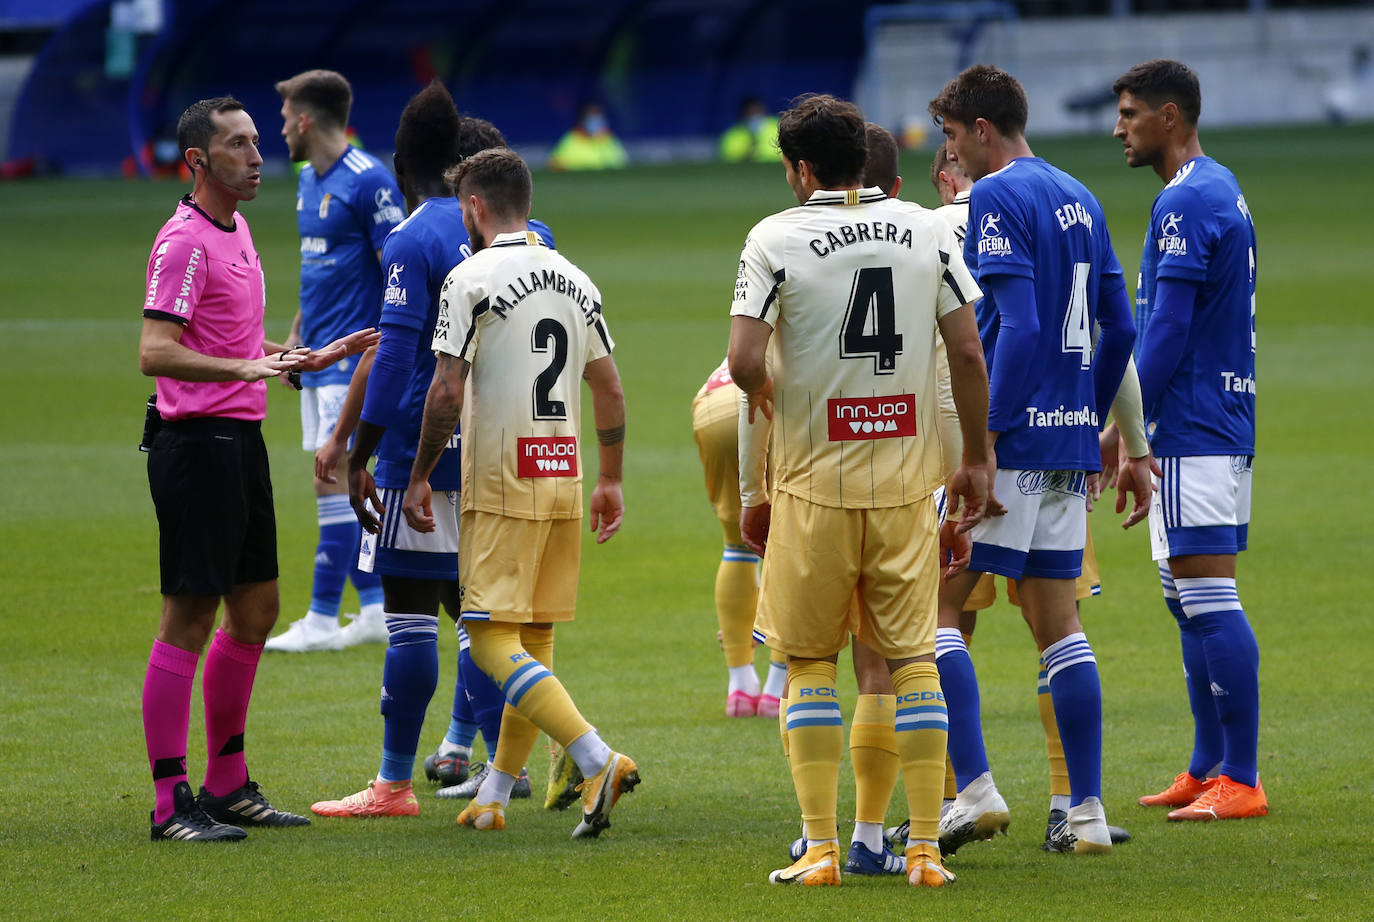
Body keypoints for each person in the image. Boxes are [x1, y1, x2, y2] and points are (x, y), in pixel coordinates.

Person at [730, 94, 992, 888]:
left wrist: (766, 454)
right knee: (912, 662)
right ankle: (922, 850)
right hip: (906, 485)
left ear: (803, 169)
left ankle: (820, 849)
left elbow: (744, 364)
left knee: (811, 664)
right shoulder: (925, 229)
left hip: (814, 484)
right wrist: (974, 461)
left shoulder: (774, 237)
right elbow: (968, 353)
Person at [138, 95, 378, 841]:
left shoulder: (236, 229)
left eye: (254, 141)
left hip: (239, 443)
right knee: (189, 617)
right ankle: (170, 802)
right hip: (195, 447)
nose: (255, 156)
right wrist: (247, 368)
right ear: (198, 161)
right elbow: (156, 350)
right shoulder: (183, 242)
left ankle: (228, 784)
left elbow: (231, 341)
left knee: (257, 611)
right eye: (237, 145)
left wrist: (300, 356)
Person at [926, 65, 1150, 855]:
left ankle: (975, 792)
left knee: (933, 608)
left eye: (953, 135)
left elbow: (1017, 327)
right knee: (1058, 626)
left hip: (1014, 442)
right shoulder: (1080, 195)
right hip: (1065, 444)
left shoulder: (995, 195)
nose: (952, 151)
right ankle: (1085, 814)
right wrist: (1087, 418)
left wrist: (985, 441)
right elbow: (1122, 326)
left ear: (982, 130)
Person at [310, 90, 551, 817]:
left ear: (400, 164)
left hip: (428, 453)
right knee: (484, 617)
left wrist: (360, 453)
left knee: (412, 616)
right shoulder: (534, 234)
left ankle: (393, 785)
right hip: (513, 450)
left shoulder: (411, 239)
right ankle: (499, 764)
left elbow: (392, 361)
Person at [403, 147, 639, 838]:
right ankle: (496, 794)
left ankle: (595, 757)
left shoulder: (469, 278)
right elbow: (609, 388)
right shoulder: (575, 279)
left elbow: (446, 390)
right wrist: (612, 478)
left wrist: (419, 474)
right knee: (531, 639)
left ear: (474, 207)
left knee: (485, 638)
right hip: (563, 472)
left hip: (502, 479)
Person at [1112, 59, 1265, 821]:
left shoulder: (1185, 201)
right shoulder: (1216, 186)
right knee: (1186, 598)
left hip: (1194, 424)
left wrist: (1124, 426)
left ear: (1169, 116)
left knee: (1208, 596)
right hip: (1215, 419)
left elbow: (1168, 329)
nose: (1119, 129)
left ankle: (1243, 776)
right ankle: (1207, 768)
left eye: (1130, 114)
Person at [264, 69, 404, 652]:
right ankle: (372, 609)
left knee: (333, 479)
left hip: (353, 357)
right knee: (334, 479)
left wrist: (384, 345)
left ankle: (322, 618)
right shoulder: (305, 180)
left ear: (305, 120)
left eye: (284, 119)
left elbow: (397, 268)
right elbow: (320, 267)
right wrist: (298, 335)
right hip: (317, 354)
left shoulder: (370, 182)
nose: (279, 130)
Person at [690, 358, 786, 718]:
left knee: (736, 546)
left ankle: (740, 685)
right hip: (770, 398)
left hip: (713, 400)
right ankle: (778, 687)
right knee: (790, 546)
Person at [548, 102, 628, 171]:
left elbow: (623, 163)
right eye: (592, 116)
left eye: (598, 116)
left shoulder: (609, 139)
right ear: (583, 119)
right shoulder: (571, 139)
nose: (596, 120)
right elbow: (554, 164)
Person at [720, 96, 782, 163]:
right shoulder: (733, 134)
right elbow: (728, 157)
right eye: (751, 113)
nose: (755, 116)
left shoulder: (778, 127)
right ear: (743, 115)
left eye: (758, 111)